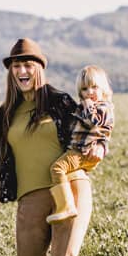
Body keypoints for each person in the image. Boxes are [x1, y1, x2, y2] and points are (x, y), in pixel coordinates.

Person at [0, 39, 102, 256]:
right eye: (17, 65)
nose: (22, 70)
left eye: (28, 65)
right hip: (30, 198)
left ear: (39, 68)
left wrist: (98, 148)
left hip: (70, 189)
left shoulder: (60, 102)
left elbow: (92, 129)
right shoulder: (5, 114)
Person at [46, 65, 115, 222]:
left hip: (82, 151)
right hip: (79, 150)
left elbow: (94, 122)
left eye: (94, 87)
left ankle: (65, 206)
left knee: (57, 168)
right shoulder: (87, 107)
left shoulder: (103, 107)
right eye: (85, 89)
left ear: (104, 89)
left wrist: (88, 106)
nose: (90, 92)